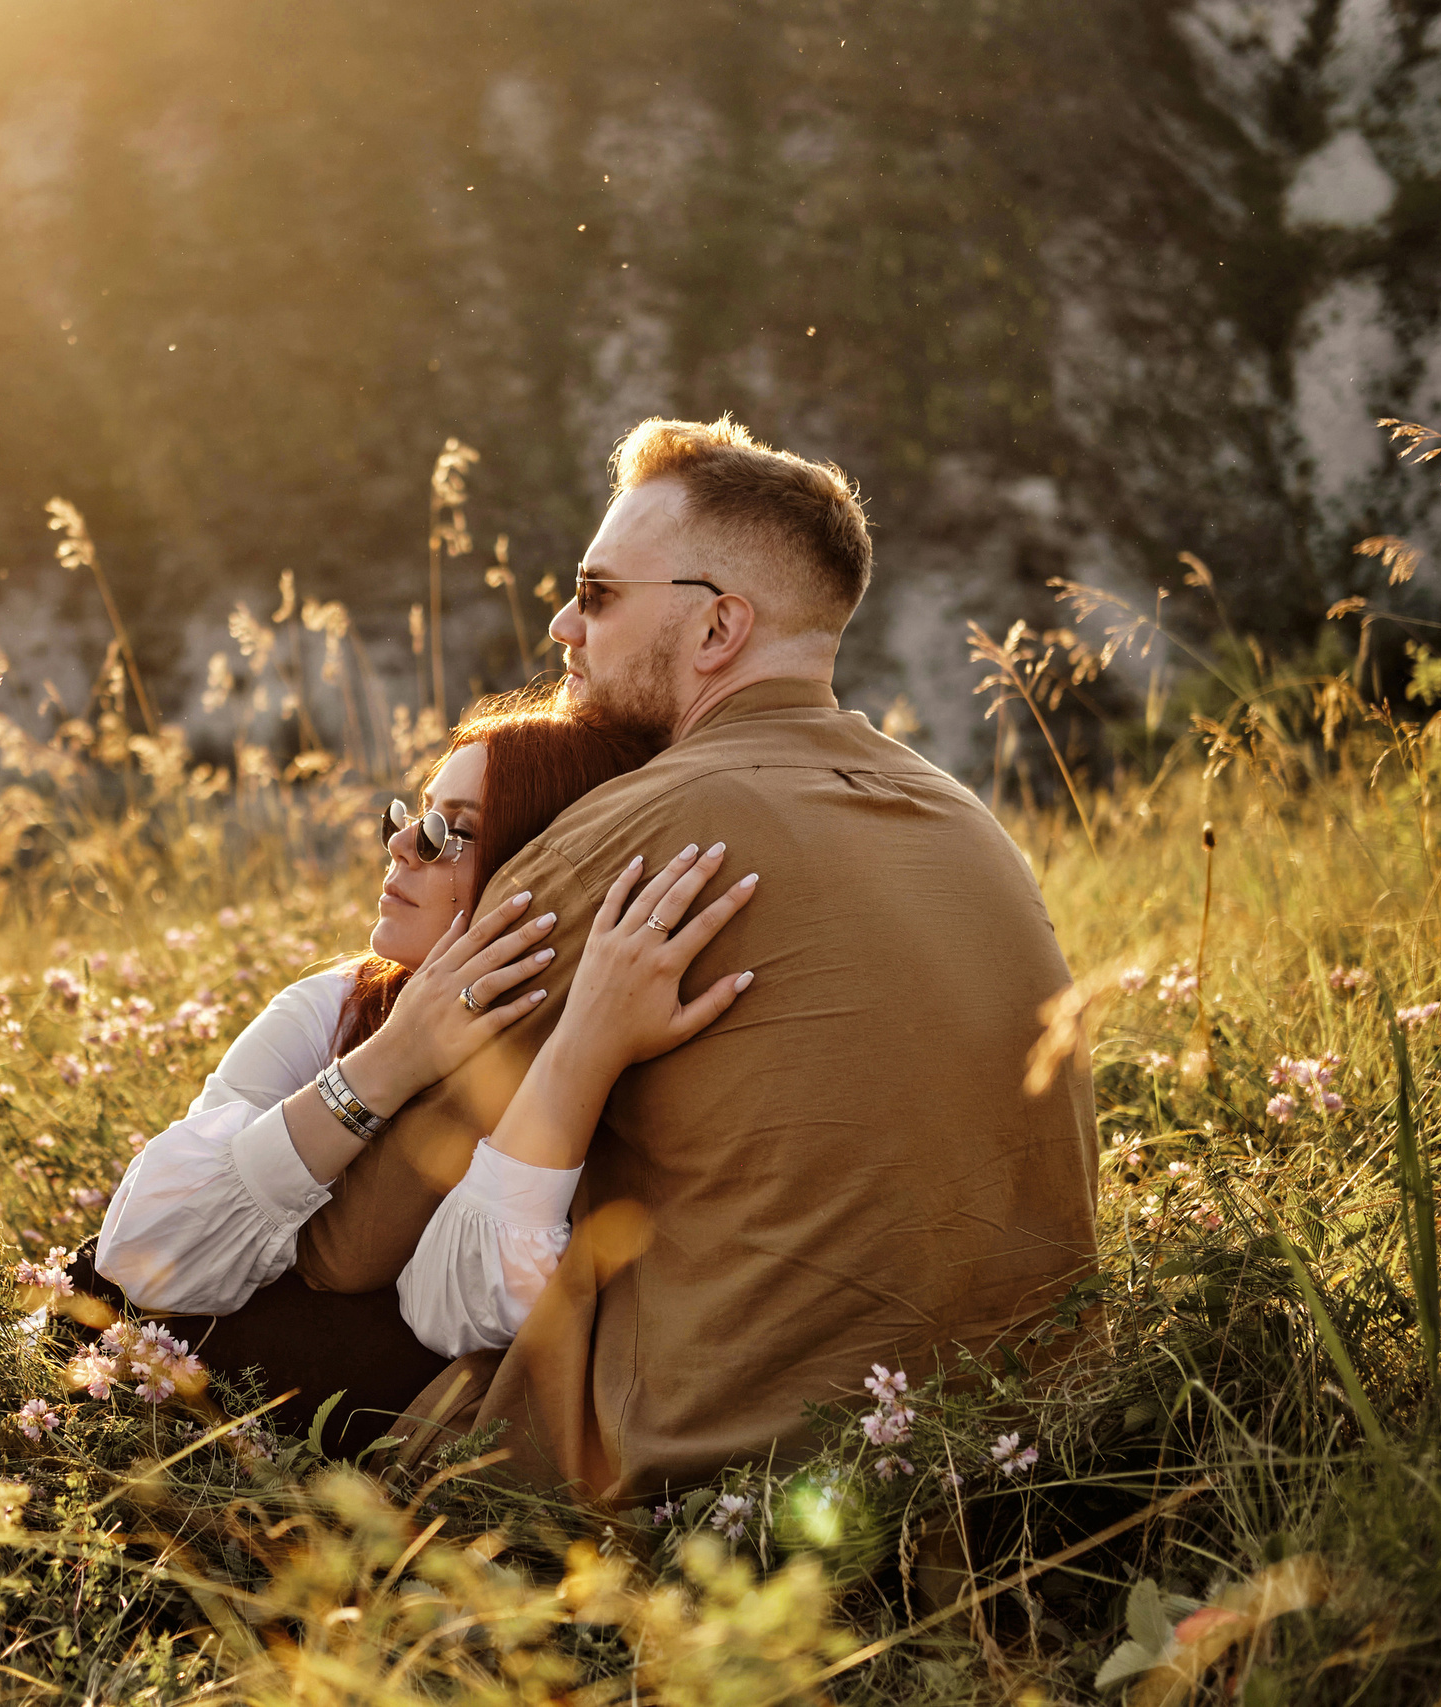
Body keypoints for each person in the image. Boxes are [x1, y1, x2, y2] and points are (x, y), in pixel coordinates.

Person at [296, 414, 1102, 1503]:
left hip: (702, 1478)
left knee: (239, 1305)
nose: (562, 622)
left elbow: (352, 1250)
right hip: (1026, 1445)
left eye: (598, 593)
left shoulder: (637, 826)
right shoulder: (961, 817)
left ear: (719, 629)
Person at [91, 693, 758, 1450]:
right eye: (412, 814)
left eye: (452, 831)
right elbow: (140, 1253)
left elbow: (462, 1312)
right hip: (113, 1401)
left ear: (535, 874)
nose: (402, 843)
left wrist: (582, 1051)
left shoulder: (603, 1049)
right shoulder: (336, 1004)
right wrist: (393, 1059)